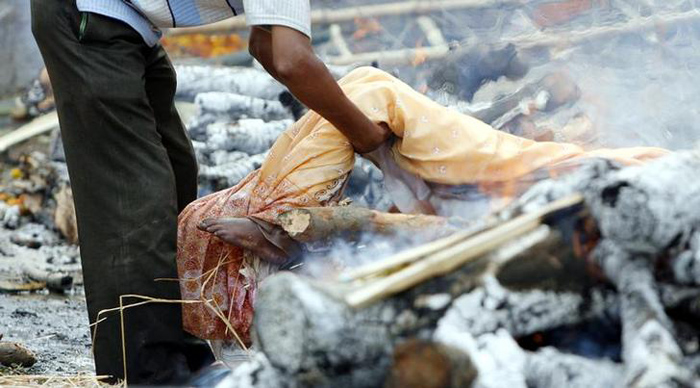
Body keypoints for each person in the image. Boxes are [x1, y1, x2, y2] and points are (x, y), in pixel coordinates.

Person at [178, 66, 670, 345]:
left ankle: (276, 221)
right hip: (513, 189)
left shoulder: (636, 177)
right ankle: (276, 221)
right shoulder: (648, 172)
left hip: (518, 195)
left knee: (375, 91)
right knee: (372, 93)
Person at [30, 0, 387, 385]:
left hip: (128, 21)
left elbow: (264, 45)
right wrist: (371, 140)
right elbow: (289, 60)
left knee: (177, 166)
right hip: (90, 13)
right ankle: (146, 372)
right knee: (134, 196)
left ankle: (182, 350)